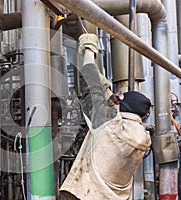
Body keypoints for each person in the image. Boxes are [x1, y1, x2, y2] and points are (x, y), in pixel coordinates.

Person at [59, 34, 152, 200]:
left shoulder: (109, 122)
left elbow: (90, 83)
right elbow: (118, 107)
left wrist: (89, 49)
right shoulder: (141, 135)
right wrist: (107, 88)